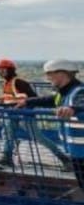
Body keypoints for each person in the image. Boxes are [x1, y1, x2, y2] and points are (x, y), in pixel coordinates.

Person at [15, 59, 84, 189]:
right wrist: (29, 102)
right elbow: (51, 100)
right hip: (77, 151)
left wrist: (73, 109)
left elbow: (81, 104)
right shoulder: (65, 93)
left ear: (61, 74)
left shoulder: (79, 91)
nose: (47, 78)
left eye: (49, 74)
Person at [0, 58, 37, 169]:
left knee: (38, 137)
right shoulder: (6, 83)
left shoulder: (19, 82)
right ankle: (6, 157)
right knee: (7, 132)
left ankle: (63, 158)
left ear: (10, 70)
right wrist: (2, 100)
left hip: (24, 114)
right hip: (13, 113)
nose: (1, 73)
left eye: (4, 70)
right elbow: (12, 98)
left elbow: (33, 98)